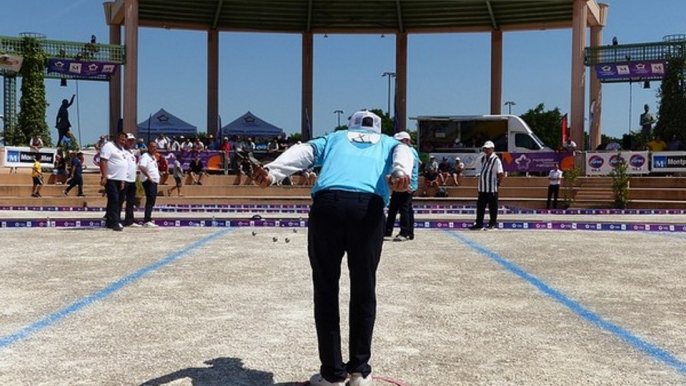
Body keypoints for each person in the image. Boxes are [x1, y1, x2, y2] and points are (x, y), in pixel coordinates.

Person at [252, 110, 412, 386]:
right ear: (376, 128)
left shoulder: (335, 138)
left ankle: (332, 375)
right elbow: (404, 156)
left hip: (328, 206)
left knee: (326, 289)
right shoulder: (389, 142)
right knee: (364, 289)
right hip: (368, 209)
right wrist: (400, 173)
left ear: (349, 126)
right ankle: (359, 371)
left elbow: (303, 152)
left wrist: (272, 172)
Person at [385, 131, 419, 242]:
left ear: (406, 140)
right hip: (403, 183)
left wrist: (408, 184)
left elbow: (408, 169)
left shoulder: (407, 150)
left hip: (404, 184)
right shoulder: (410, 150)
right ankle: (396, 231)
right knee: (397, 207)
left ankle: (405, 232)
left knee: (404, 209)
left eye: (399, 141)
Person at [469, 140, 504, 230]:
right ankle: (479, 223)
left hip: (492, 188)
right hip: (482, 187)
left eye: (488, 149)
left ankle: (492, 223)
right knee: (480, 207)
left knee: (493, 207)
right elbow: (479, 170)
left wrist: (499, 182)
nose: (486, 150)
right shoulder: (482, 158)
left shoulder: (496, 160)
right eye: (485, 149)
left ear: (492, 149)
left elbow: (500, 173)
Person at [99, 132, 128, 231]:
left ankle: (112, 221)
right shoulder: (109, 146)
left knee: (119, 201)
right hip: (111, 178)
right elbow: (103, 161)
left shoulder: (122, 150)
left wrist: (123, 180)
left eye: (124, 140)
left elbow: (123, 165)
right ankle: (114, 222)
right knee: (114, 200)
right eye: (121, 139)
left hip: (120, 179)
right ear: (116, 138)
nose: (123, 142)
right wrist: (104, 176)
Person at [138, 142, 161, 227]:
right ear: (148, 147)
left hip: (154, 181)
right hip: (149, 181)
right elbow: (142, 166)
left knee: (152, 200)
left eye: (155, 147)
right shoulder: (145, 156)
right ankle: (147, 220)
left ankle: (148, 219)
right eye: (152, 147)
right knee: (150, 200)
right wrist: (149, 177)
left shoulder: (153, 157)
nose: (154, 148)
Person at [120, 133, 140, 227]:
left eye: (132, 140)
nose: (131, 142)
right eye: (129, 140)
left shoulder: (131, 152)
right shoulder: (122, 151)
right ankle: (116, 219)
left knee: (131, 201)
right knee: (120, 200)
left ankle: (129, 220)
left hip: (132, 180)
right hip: (124, 179)